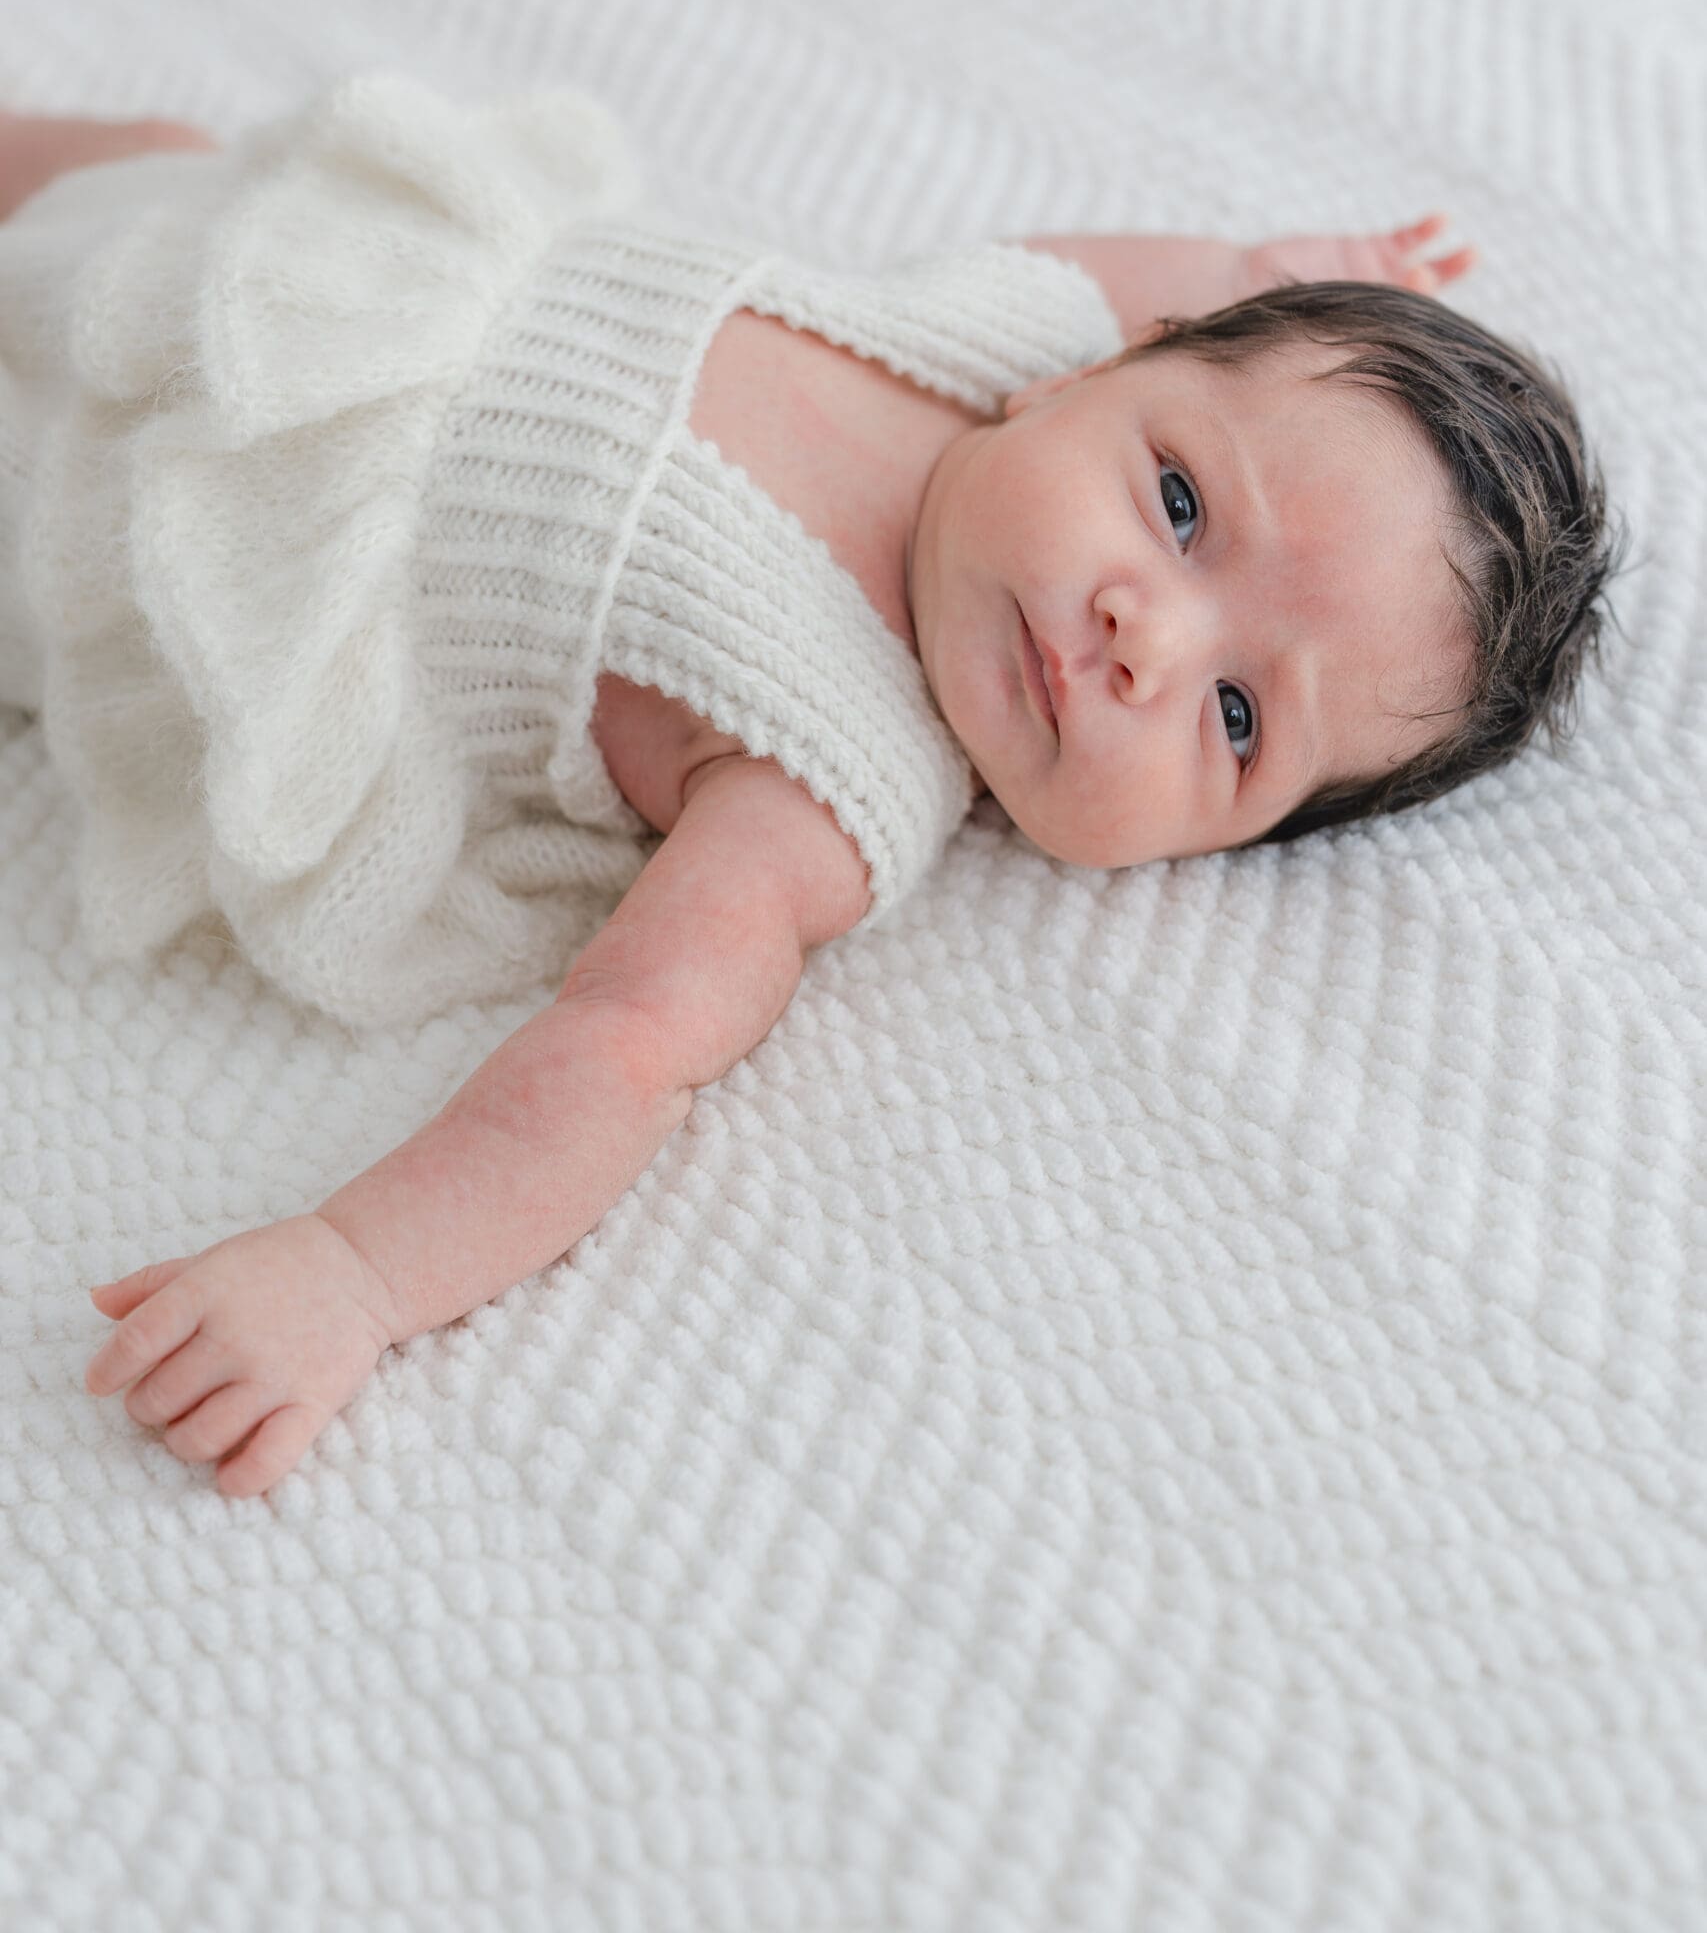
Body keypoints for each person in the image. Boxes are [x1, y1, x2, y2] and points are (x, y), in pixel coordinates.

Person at [0, 76, 1619, 1496]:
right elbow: (1205, 289)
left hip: (174, 537)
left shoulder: (818, 783)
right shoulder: (994, 334)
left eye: (1243, 719)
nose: (1149, 635)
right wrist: (1329, 280)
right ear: (1095, 376)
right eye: (1184, 505)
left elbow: (619, 1055)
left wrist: (350, 1274)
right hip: (289, 269)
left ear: (1232, 842)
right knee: (131, 159)